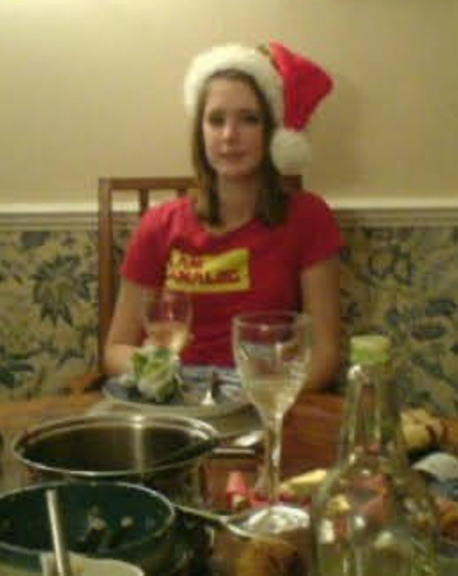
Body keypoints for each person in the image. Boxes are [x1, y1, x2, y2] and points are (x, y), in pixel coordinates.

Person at [104, 41, 344, 393]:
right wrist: (152, 368)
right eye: (216, 120)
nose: (229, 136)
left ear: (272, 132)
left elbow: (324, 354)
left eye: (249, 119)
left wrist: (267, 398)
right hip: (176, 405)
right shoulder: (158, 224)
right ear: (200, 133)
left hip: (263, 400)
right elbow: (115, 350)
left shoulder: (309, 217)